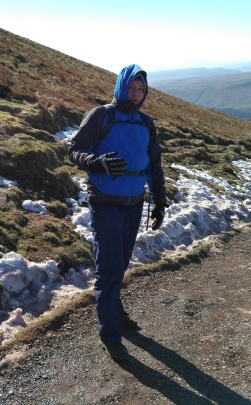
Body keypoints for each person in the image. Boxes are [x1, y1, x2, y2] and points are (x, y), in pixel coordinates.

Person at [68, 64, 166, 361]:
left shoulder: (145, 123)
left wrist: (160, 201)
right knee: (108, 269)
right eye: (131, 88)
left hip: (134, 204)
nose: (136, 94)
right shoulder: (101, 116)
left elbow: (154, 165)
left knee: (120, 264)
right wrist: (95, 162)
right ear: (121, 87)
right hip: (106, 204)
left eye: (141, 89)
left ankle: (115, 311)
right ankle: (109, 333)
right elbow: (74, 150)